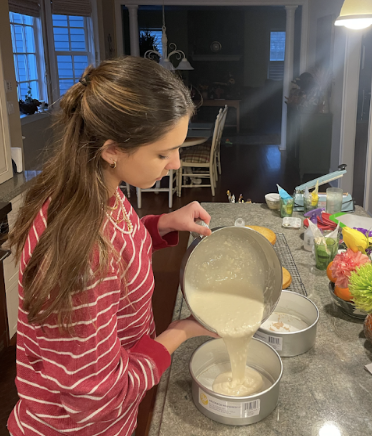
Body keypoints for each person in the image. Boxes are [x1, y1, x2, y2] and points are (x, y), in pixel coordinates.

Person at [7, 56, 217, 436]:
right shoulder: (82, 254)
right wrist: (182, 330)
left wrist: (162, 223)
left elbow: (120, 242)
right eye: (162, 152)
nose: (176, 165)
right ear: (112, 149)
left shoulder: (92, 190)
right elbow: (98, 395)